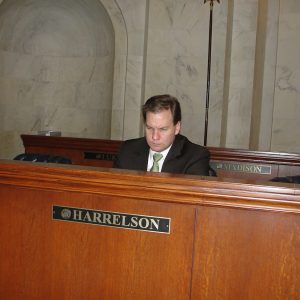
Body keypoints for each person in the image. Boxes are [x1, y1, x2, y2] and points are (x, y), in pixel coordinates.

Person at [113, 94, 210, 176]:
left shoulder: (195, 156)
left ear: (177, 127)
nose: (155, 137)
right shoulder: (127, 150)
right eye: (150, 128)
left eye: (163, 129)